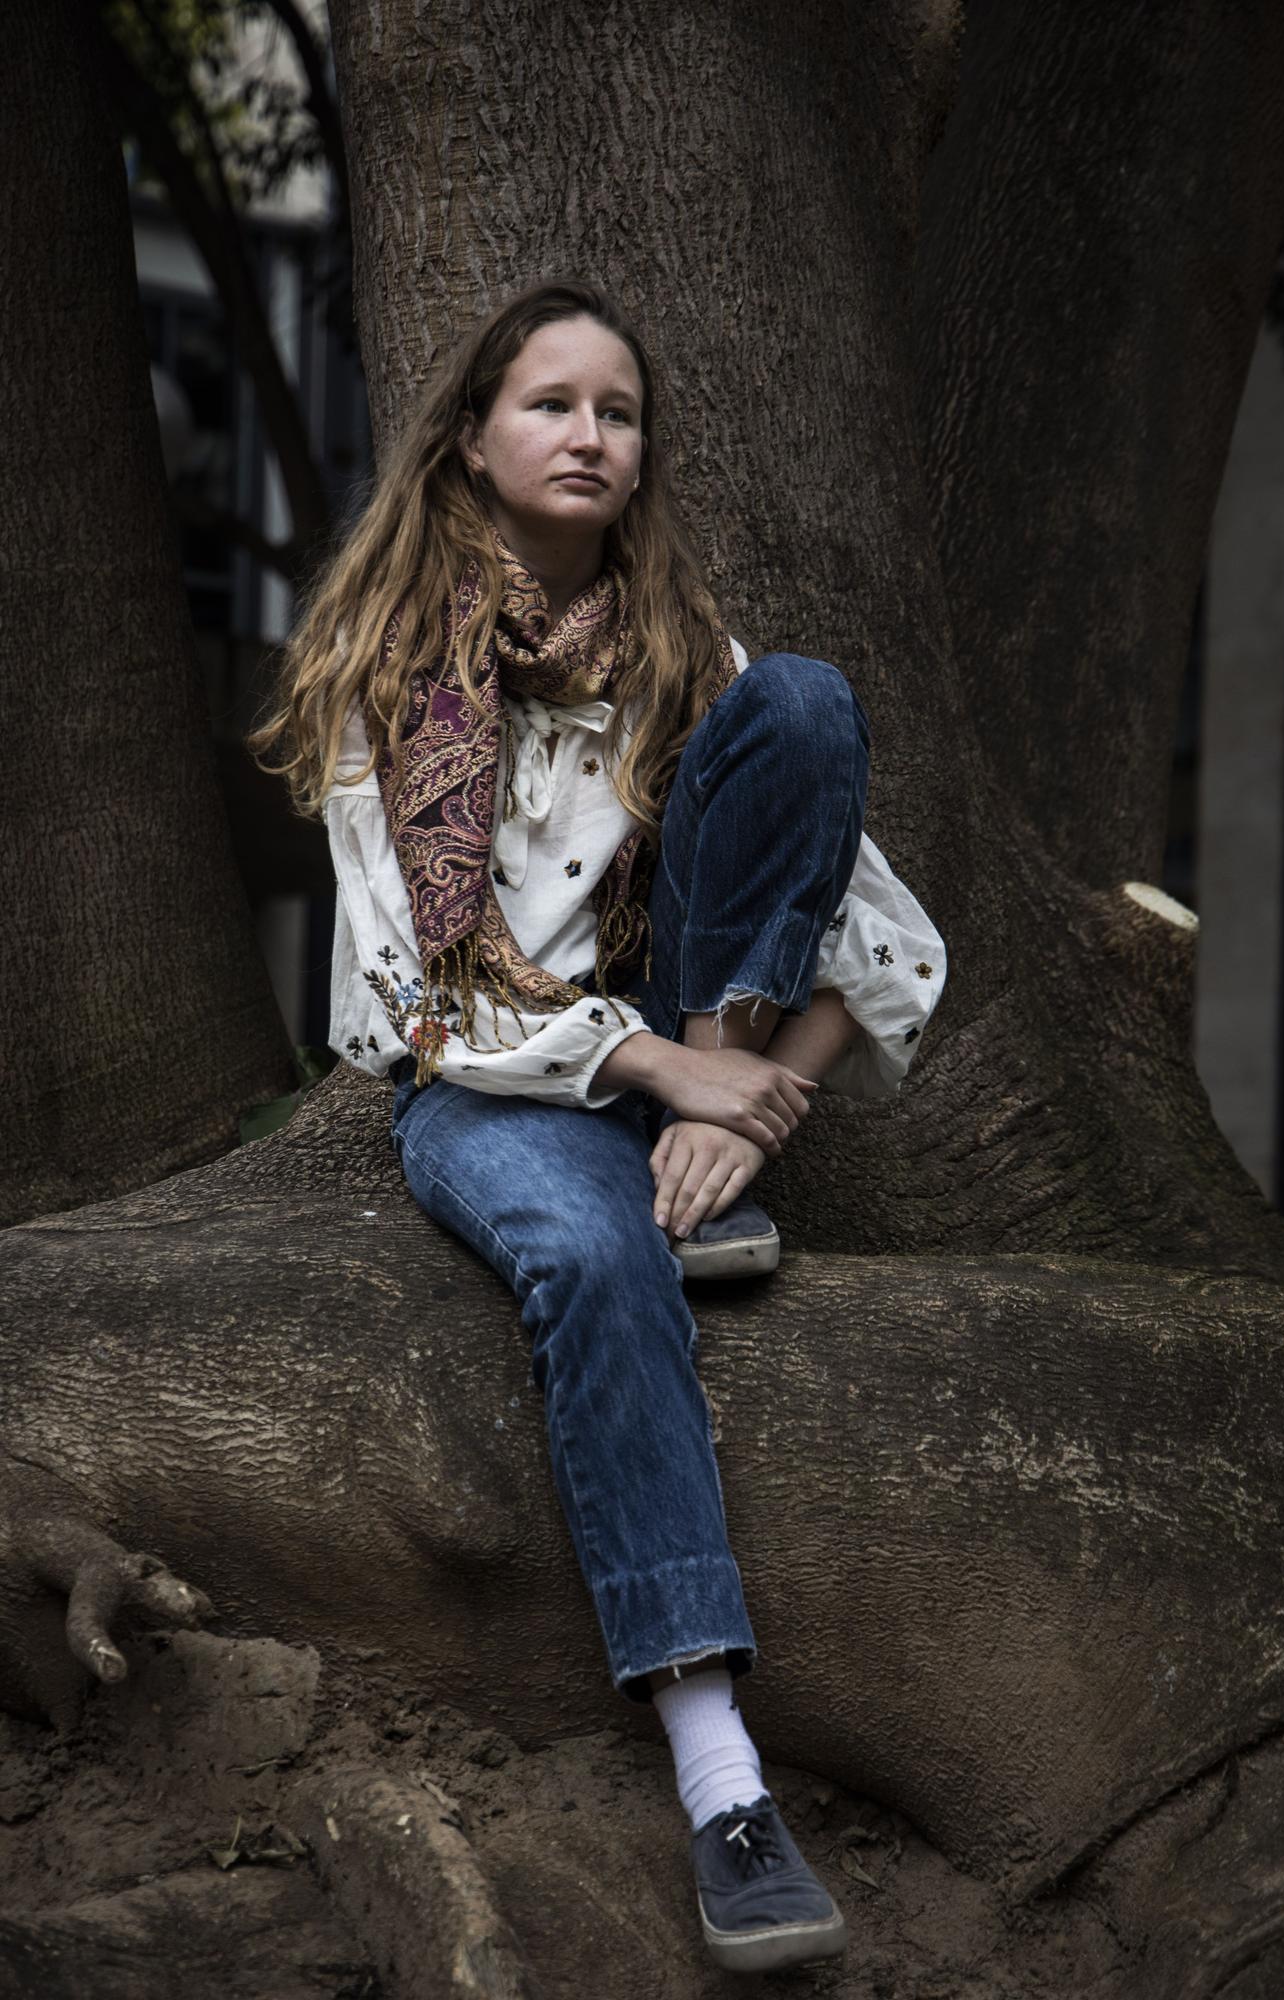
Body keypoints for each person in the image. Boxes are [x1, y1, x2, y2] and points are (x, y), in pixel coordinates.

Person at [248, 277, 946, 1975]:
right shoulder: (385, 681)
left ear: (642, 459)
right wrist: (663, 1079)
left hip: (695, 1056)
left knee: (804, 700)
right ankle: (724, 1786)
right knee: (585, 1244)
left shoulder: (680, 665)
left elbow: (894, 948)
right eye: (550, 404)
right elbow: (413, 1008)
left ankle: (693, 1187)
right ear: (475, 444)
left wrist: (744, 1105)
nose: (586, 433)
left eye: (616, 412)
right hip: (496, 1086)